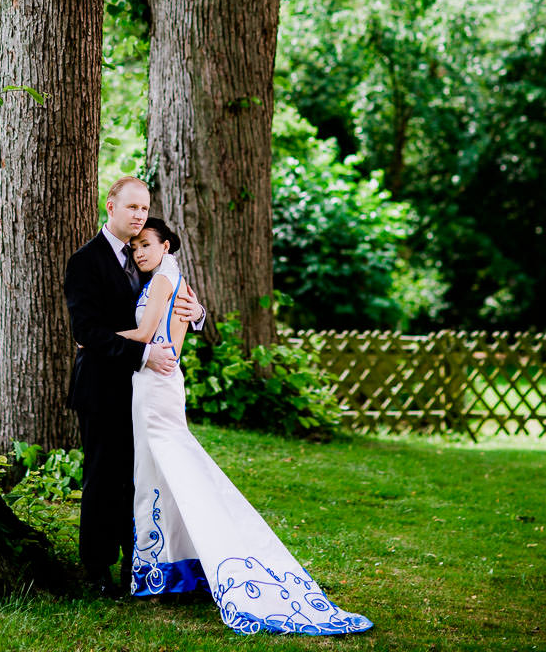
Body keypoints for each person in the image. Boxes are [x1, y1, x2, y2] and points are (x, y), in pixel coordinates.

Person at [118, 217, 373, 636]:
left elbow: (148, 333)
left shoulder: (164, 279)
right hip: (156, 382)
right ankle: (174, 567)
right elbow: (172, 328)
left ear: (166, 246)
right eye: (135, 247)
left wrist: (93, 335)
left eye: (147, 244)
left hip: (155, 384)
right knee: (162, 475)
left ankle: (171, 567)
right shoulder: (165, 277)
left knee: (160, 473)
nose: (139, 252)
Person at [63, 176, 204, 596]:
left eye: (144, 209)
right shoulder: (85, 261)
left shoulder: (147, 258)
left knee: (138, 479)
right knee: (103, 479)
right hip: (102, 387)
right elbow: (86, 330)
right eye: (132, 208)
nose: (139, 215)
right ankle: (96, 569)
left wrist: (195, 313)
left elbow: (169, 306)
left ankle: (137, 566)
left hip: (142, 392)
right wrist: (143, 354)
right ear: (111, 207)